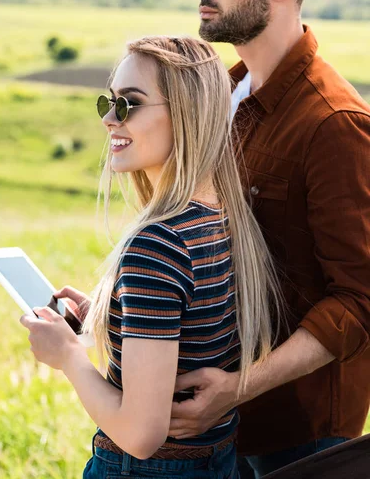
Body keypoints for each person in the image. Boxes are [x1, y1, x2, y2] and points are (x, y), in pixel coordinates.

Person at [20, 36, 283, 478]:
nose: (108, 119)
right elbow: (189, 335)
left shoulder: (158, 243)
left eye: (128, 104)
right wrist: (115, 315)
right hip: (217, 462)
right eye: (109, 102)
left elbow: (141, 435)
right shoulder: (224, 218)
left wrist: (69, 356)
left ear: (184, 115)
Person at [171, 0, 370, 478]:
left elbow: (360, 302)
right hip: (223, 418)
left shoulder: (335, 124)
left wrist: (238, 387)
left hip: (298, 435)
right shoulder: (224, 96)